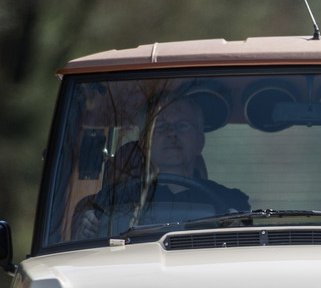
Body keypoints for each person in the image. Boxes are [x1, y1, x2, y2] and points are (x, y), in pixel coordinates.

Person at [73, 97, 249, 238]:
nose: (172, 133)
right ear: (144, 144)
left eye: (182, 126)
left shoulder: (232, 203)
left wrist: (238, 229)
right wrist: (87, 227)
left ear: (200, 142)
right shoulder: (111, 200)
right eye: (160, 127)